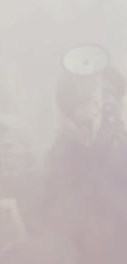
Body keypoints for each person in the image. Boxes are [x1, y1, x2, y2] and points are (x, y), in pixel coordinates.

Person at [43, 68, 127, 264]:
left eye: (110, 94)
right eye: (98, 96)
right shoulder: (65, 148)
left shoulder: (121, 143)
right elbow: (55, 210)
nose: (106, 103)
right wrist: (84, 142)